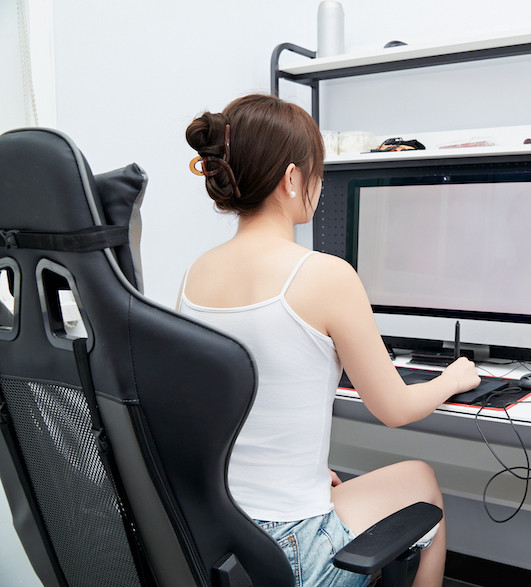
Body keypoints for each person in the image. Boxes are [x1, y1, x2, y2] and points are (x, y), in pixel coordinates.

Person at [179, 93, 480, 587]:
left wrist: (306, 476)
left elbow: (213, 411)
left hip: (217, 540)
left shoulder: (196, 275)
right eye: (317, 172)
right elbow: (395, 408)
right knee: (422, 481)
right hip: (290, 550)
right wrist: (451, 377)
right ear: (293, 178)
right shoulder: (325, 275)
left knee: (345, 481)